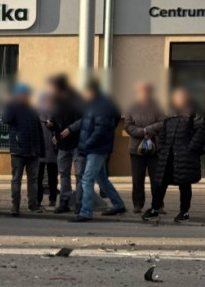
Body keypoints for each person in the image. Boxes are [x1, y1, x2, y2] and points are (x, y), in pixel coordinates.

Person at [144, 87, 205, 223]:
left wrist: (191, 147)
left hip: (185, 155)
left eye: (181, 97)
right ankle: (154, 209)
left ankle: (184, 212)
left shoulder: (195, 111)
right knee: (161, 182)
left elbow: (202, 130)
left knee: (184, 183)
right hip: (168, 154)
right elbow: (163, 131)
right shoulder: (171, 112)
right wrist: (162, 147)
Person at [71, 80, 126, 223]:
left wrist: (87, 144)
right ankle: (118, 204)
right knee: (101, 179)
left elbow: (101, 130)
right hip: (96, 147)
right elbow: (85, 124)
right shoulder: (95, 105)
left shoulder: (101, 106)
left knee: (87, 179)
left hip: (97, 148)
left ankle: (86, 212)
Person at [1, 82, 45, 216]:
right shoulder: (12, 108)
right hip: (18, 151)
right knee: (16, 180)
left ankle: (33, 205)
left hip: (33, 152)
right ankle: (15, 206)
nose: (25, 97)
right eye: (23, 94)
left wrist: (40, 150)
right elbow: (5, 119)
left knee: (33, 180)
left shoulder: (32, 109)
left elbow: (38, 130)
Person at [123, 81, 165, 214]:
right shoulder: (131, 107)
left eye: (146, 91)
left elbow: (164, 122)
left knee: (156, 179)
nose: (144, 94)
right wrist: (142, 132)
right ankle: (138, 204)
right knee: (137, 178)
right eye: (141, 91)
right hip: (136, 149)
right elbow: (127, 125)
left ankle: (158, 205)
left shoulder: (157, 107)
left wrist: (149, 129)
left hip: (154, 148)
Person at [44, 75, 83, 214]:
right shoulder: (57, 102)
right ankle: (64, 202)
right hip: (63, 144)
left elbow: (84, 120)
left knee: (79, 175)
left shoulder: (77, 100)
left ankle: (80, 203)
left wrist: (71, 129)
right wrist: (51, 124)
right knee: (63, 174)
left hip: (78, 143)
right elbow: (55, 121)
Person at [35, 88, 60, 208]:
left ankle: (53, 198)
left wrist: (54, 124)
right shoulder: (36, 112)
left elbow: (61, 126)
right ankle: (38, 200)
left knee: (52, 177)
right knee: (38, 177)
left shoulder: (56, 112)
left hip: (52, 148)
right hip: (40, 149)